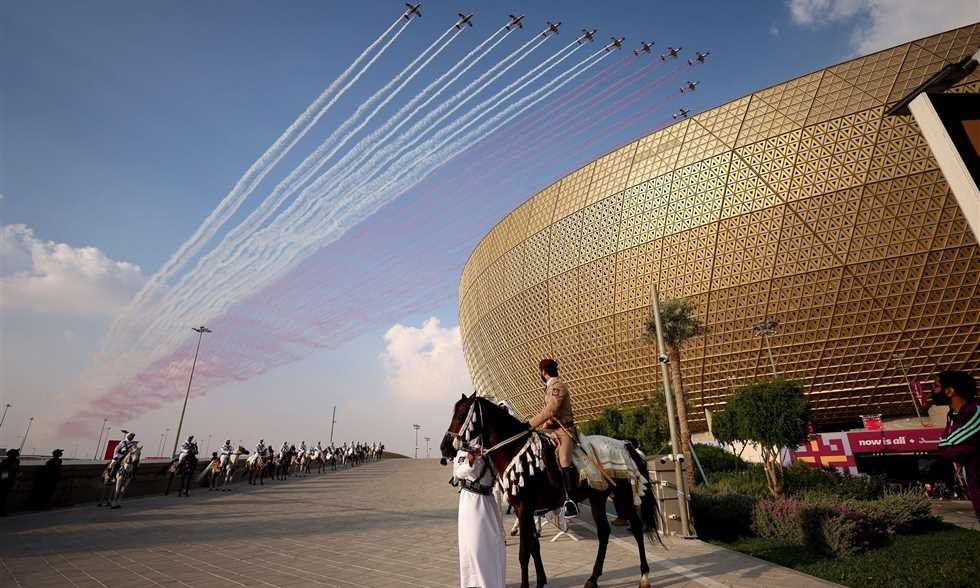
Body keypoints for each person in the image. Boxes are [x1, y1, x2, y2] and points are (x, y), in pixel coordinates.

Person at [527, 358, 579, 517]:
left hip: (564, 430)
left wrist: (530, 424)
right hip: (551, 430)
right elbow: (549, 417)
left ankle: (570, 501)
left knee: (564, 460)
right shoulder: (549, 387)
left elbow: (551, 410)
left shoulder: (557, 386)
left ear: (543, 372)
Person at [453, 440, 506, 588]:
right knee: (474, 545)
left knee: (495, 542)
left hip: (489, 500)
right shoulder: (464, 450)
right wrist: (471, 460)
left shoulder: (494, 449)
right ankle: (474, 583)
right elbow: (457, 473)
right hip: (471, 500)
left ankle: (493, 582)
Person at [935, 370, 979, 520]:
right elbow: (948, 448)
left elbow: (947, 443)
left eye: (936, 386)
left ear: (950, 391)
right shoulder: (953, 416)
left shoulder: (976, 412)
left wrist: (948, 447)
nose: (934, 391)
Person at [0, 449, 21, 515]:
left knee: (4, 496)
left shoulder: (6, 462)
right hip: (7, 481)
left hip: (7, 481)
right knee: (3, 496)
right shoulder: (15, 461)